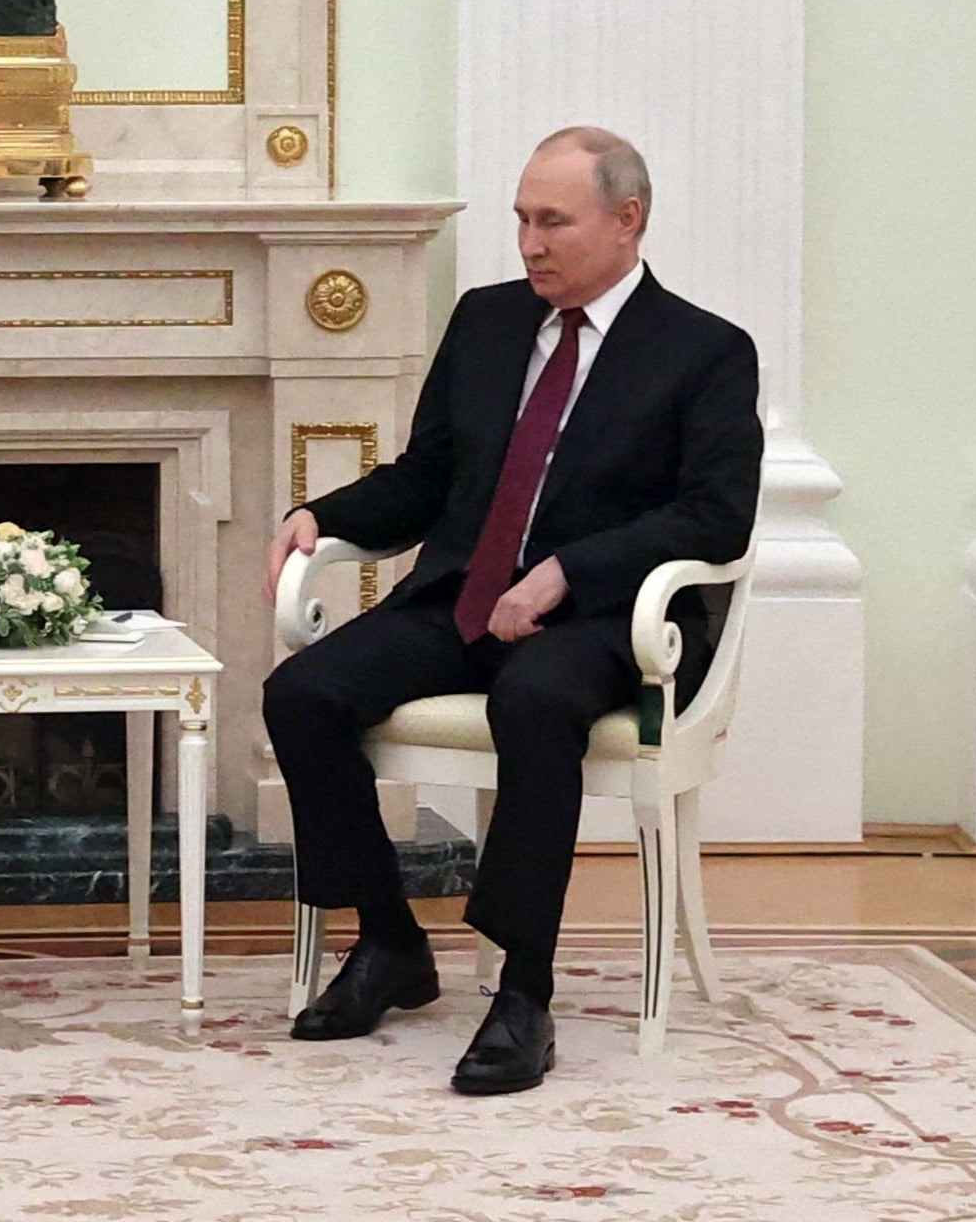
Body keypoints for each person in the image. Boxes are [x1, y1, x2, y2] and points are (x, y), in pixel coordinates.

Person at [261, 127, 762, 1096]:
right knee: (302, 694)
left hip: (604, 625)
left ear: (626, 221)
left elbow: (712, 515)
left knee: (531, 703)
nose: (528, 244)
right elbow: (425, 477)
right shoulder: (486, 321)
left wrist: (569, 572)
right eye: (520, 221)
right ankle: (389, 942)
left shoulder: (703, 352)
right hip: (463, 597)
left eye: (551, 221)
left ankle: (522, 993)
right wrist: (321, 516)